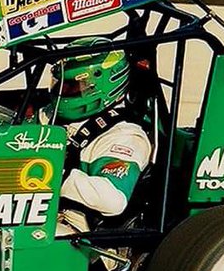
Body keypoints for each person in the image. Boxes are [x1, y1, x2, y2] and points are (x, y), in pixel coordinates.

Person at [43, 37, 153, 236]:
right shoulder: (52, 114)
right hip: (34, 210)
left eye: (74, 87)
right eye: (60, 85)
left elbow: (113, 200)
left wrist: (52, 173)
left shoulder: (126, 137)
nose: (63, 93)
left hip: (79, 232)